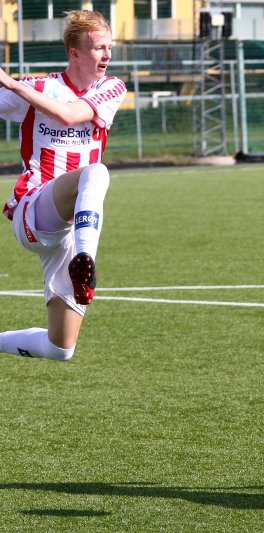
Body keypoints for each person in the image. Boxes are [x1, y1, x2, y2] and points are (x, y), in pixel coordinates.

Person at [0, 10, 127, 361]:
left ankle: (80, 261)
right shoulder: (37, 87)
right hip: (33, 210)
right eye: (99, 48)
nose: (107, 55)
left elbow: (70, 115)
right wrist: (14, 87)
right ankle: (86, 259)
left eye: (109, 47)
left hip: (68, 228)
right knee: (96, 173)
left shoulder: (112, 87)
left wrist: (12, 84)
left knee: (60, 348)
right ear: (74, 53)